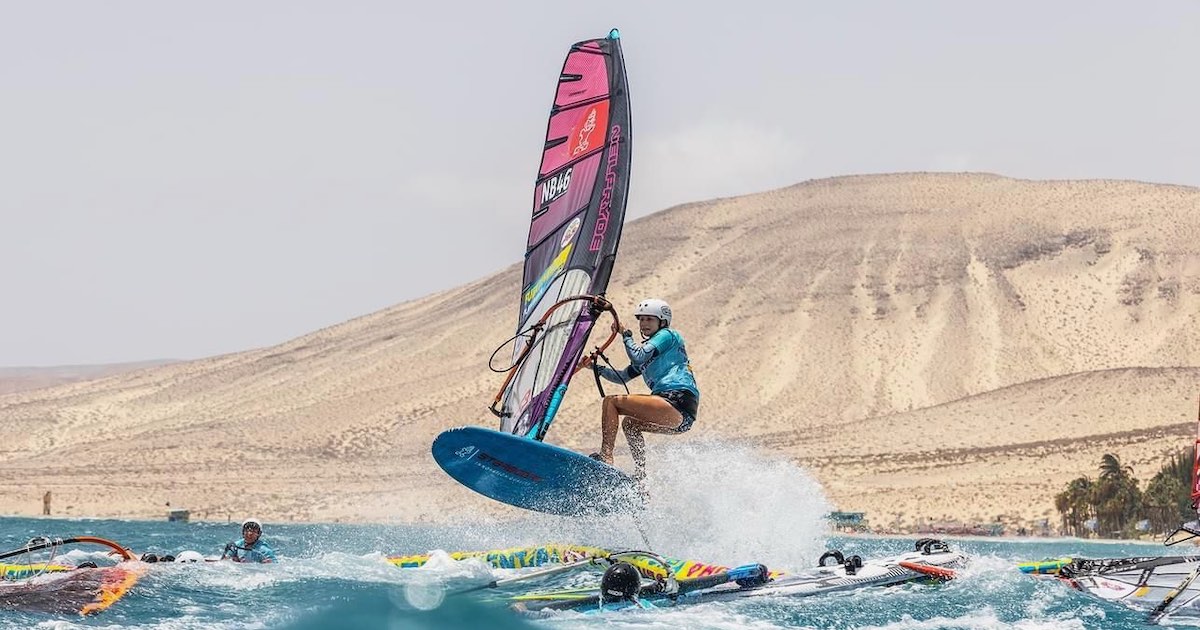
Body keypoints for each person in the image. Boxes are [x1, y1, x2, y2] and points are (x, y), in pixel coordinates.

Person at [578, 298, 699, 479]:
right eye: (641, 319)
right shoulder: (649, 355)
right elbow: (622, 377)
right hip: (678, 418)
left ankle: (606, 457)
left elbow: (638, 356)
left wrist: (625, 334)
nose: (644, 323)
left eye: (649, 319)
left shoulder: (668, 335)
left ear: (662, 321)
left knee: (611, 402)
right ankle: (641, 478)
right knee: (630, 424)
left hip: (677, 400)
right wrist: (595, 368)